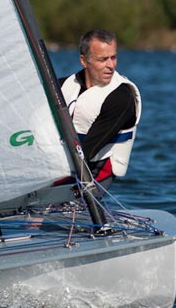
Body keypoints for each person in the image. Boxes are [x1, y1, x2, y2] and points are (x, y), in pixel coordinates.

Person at [59, 29, 141, 189]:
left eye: (113, 57)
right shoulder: (62, 86)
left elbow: (88, 150)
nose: (111, 65)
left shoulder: (121, 97)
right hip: (63, 162)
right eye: (103, 59)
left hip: (97, 169)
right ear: (84, 60)